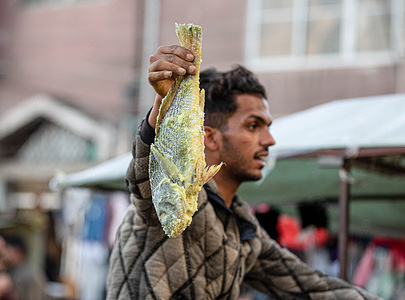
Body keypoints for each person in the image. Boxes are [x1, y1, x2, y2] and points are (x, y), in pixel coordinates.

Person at [106, 45, 382, 299]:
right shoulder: (174, 201)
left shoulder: (242, 226)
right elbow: (145, 177)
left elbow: (312, 287)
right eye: (253, 126)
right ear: (209, 138)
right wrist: (163, 107)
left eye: (268, 126)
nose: (269, 140)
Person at [2, 235, 46, 300]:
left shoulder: (27, 274)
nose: (5, 254)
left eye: (8, 248)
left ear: (18, 252)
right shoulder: (14, 272)